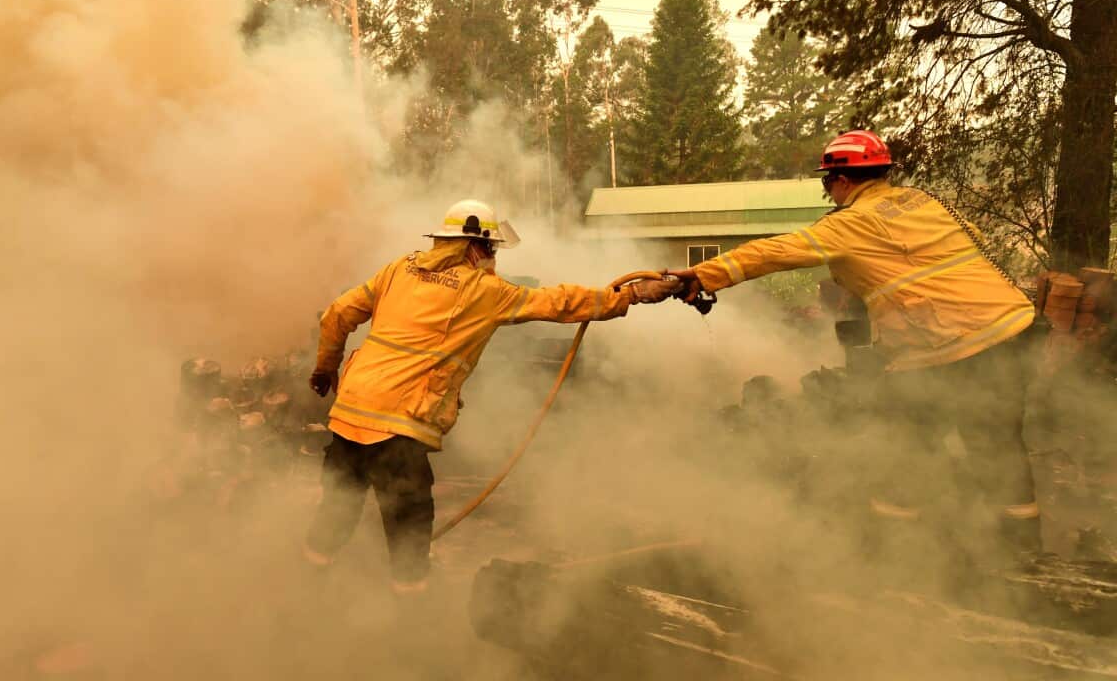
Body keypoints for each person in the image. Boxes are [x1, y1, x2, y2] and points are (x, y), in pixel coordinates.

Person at [670, 130, 1041, 564]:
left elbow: (778, 251)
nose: (828, 192)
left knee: (904, 447)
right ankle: (1024, 555)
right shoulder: (923, 203)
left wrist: (703, 275)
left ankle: (897, 554)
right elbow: (962, 239)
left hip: (947, 345)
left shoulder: (852, 221)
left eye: (827, 182)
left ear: (842, 179)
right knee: (999, 446)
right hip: (1010, 331)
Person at [304, 199, 681, 594]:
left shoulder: (399, 269)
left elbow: (336, 315)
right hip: (398, 426)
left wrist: (325, 367)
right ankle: (410, 613)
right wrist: (631, 295)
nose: (493, 256)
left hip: (349, 414)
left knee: (336, 510)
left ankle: (310, 584)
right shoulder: (484, 290)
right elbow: (558, 302)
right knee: (409, 526)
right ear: (474, 246)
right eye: (491, 248)